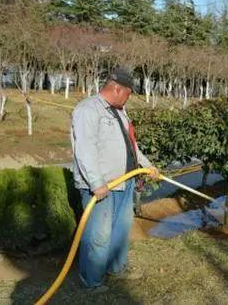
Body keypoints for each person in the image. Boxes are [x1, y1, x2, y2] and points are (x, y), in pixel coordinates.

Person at [70, 66, 159, 291]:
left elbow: (131, 146)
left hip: (125, 182)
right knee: (98, 235)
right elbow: (85, 149)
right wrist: (96, 182)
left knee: (120, 230)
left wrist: (148, 167)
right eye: (129, 94)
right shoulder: (88, 110)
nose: (129, 99)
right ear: (117, 89)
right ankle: (92, 280)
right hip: (102, 187)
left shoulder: (119, 111)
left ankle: (116, 268)